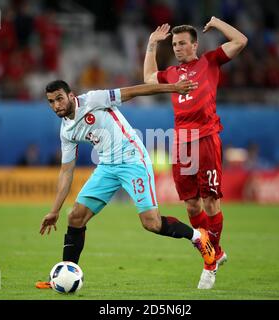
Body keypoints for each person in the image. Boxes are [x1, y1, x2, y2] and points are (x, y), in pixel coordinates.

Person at [35, 79, 216, 289]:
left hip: (133, 160)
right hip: (107, 167)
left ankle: (198, 237)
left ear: (70, 95)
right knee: (75, 217)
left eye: (59, 98)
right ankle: (64, 275)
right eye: (51, 101)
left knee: (151, 223)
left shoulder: (94, 99)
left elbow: (135, 91)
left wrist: (173, 88)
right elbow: (66, 171)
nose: (56, 105)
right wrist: (54, 210)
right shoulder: (66, 131)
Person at [143, 17, 247, 289]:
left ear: (194, 44)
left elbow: (240, 41)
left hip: (207, 138)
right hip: (182, 141)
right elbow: (148, 79)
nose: (177, 48)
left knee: (211, 202)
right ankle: (216, 251)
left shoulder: (210, 62)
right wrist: (152, 45)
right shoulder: (173, 74)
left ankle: (209, 264)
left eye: (182, 43)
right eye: (174, 44)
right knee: (191, 204)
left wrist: (218, 23)